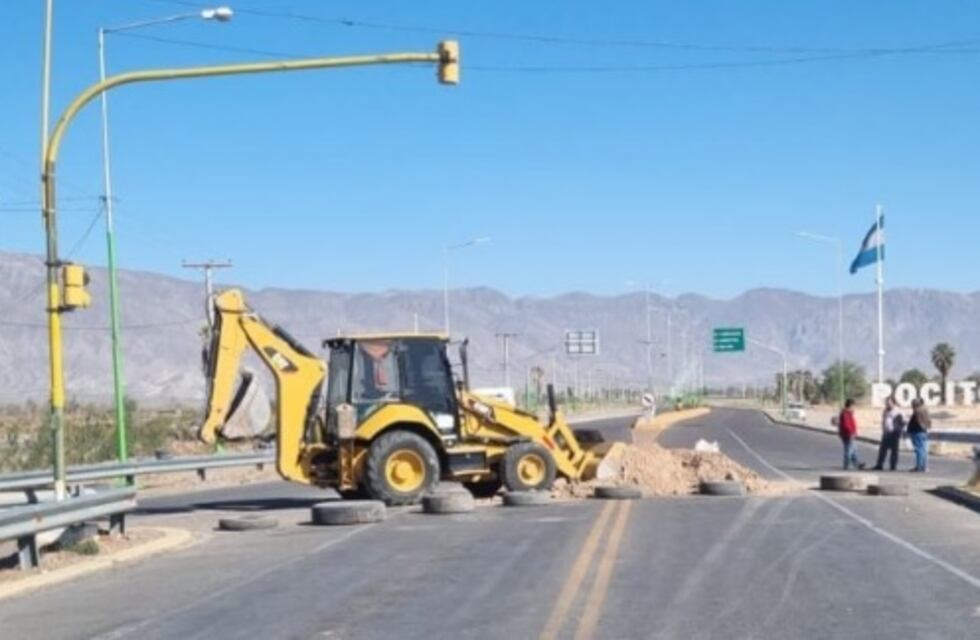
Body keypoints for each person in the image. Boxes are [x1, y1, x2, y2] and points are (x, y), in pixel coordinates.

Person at [872, 397, 904, 471]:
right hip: (886, 433)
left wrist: (898, 430)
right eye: (886, 403)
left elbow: (902, 423)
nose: (887, 404)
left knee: (894, 451)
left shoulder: (898, 411)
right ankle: (879, 464)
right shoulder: (885, 411)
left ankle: (893, 466)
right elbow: (884, 420)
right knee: (882, 449)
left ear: (893, 403)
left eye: (889, 403)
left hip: (894, 433)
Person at [838, 398, 865, 470]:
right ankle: (847, 465)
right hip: (848, 434)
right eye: (853, 406)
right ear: (850, 405)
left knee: (854, 449)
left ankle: (857, 463)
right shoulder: (845, 414)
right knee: (849, 450)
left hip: (850, 433)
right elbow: (846, 425)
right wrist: (851, 432)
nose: (854, 407)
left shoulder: (849, 413)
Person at [907, 399, 932, 472]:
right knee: (924, 450)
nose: (911, 406)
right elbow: (929, 421)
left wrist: (921, 427)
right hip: (923, 432)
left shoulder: (918, 411)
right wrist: (926, 428)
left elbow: (918, 422)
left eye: (912, 404)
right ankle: (924, 466)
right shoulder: (925, 410)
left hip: (917, 432)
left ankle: (919, 466)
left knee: (919, 450)